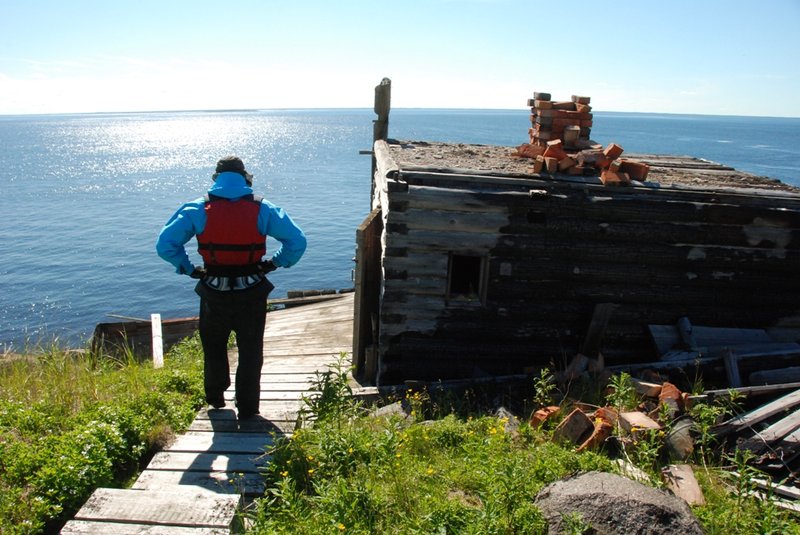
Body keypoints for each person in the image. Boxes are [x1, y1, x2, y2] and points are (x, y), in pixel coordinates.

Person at [156, 156, 306, 419]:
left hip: (214, 290)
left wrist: (188, 268)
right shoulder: (264, 208)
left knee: (214, 347)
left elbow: (165, 245)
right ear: (245, 177)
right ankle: (248, 407)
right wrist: (274, 263)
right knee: (250, 351)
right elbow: (297, 242)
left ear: (216, 178)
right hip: (252, 290)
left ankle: (215, 399)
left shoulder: (197, 208)